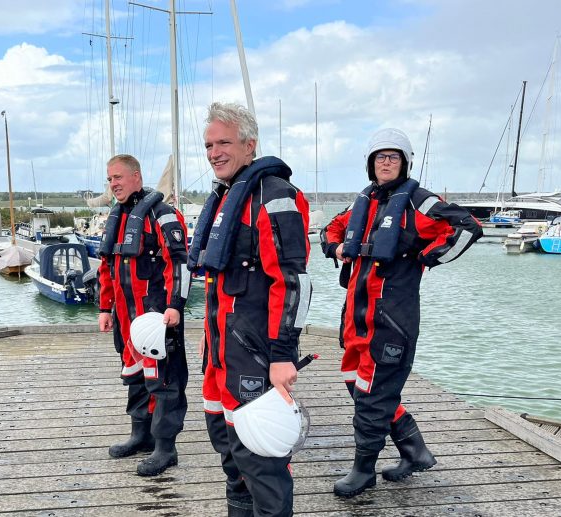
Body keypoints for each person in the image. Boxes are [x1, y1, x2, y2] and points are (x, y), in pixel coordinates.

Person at [330, 128, 482, 498]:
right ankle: (415, 451)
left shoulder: (419, 201)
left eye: (393, 157)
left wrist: (427, 257)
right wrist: (336, 247)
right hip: (356, 314)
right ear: (371, 163)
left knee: (373, 392)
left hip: (392, 317)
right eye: (380, 157)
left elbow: (467, 227)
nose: (386, 162)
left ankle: (363, 471)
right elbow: (332, 228)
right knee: (357, 381)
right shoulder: (363, 201)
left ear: (405, 162)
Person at [189, 102, 311, 517]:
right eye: (208, 144)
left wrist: (282, 356)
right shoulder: (226, 197)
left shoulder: (274, 196)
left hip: (255, 358)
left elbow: (293, 282)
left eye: (224, 142)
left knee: (263, 465)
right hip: (219, 359)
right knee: (233, 461)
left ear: (249, 144)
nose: (214, 152)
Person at [97, 154, 191, 477]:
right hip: (125, 319)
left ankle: (166, 447)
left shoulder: (162, 215)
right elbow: (106, 268)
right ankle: (141, 435)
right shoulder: (117, 218)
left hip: (156, 318)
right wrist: (104, 308)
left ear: (136, 176)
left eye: (118, 177)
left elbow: (179, 262)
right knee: (135, 376)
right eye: (110, 179)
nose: (114, 184)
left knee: (164, 381)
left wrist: (175, 305)